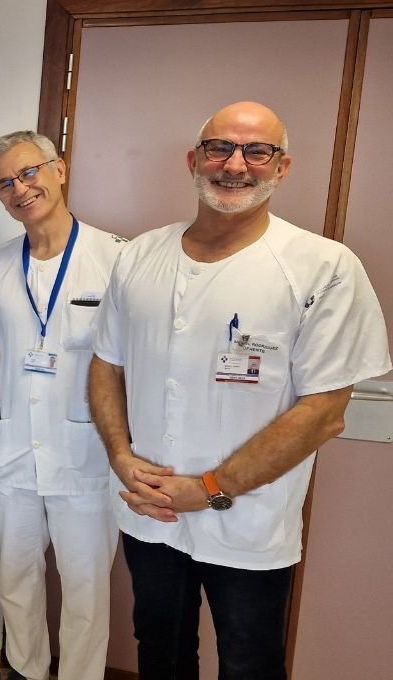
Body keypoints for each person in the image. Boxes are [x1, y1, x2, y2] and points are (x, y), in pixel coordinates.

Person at [88, 101, 391, 679]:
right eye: (219, 148)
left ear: (283, 167)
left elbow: (325, 411)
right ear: (193, 160)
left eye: (258, 151)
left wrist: (209, 489)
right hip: (150, 510)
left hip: (249, 520)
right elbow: (108, 365)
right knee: (159, 652)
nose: (235, 165)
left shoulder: (323, 268)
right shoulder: (139, 257)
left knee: (249, 663)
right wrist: (121, 457)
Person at [0, 131, 124, 680]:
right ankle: (24, 670)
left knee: (85, 589)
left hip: (83, 452)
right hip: (13, 448)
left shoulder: (116, 259)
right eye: (6, 183)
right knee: (16, 578)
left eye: (30, 172)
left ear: (59, 170)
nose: (21, 188)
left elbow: (130, 363)